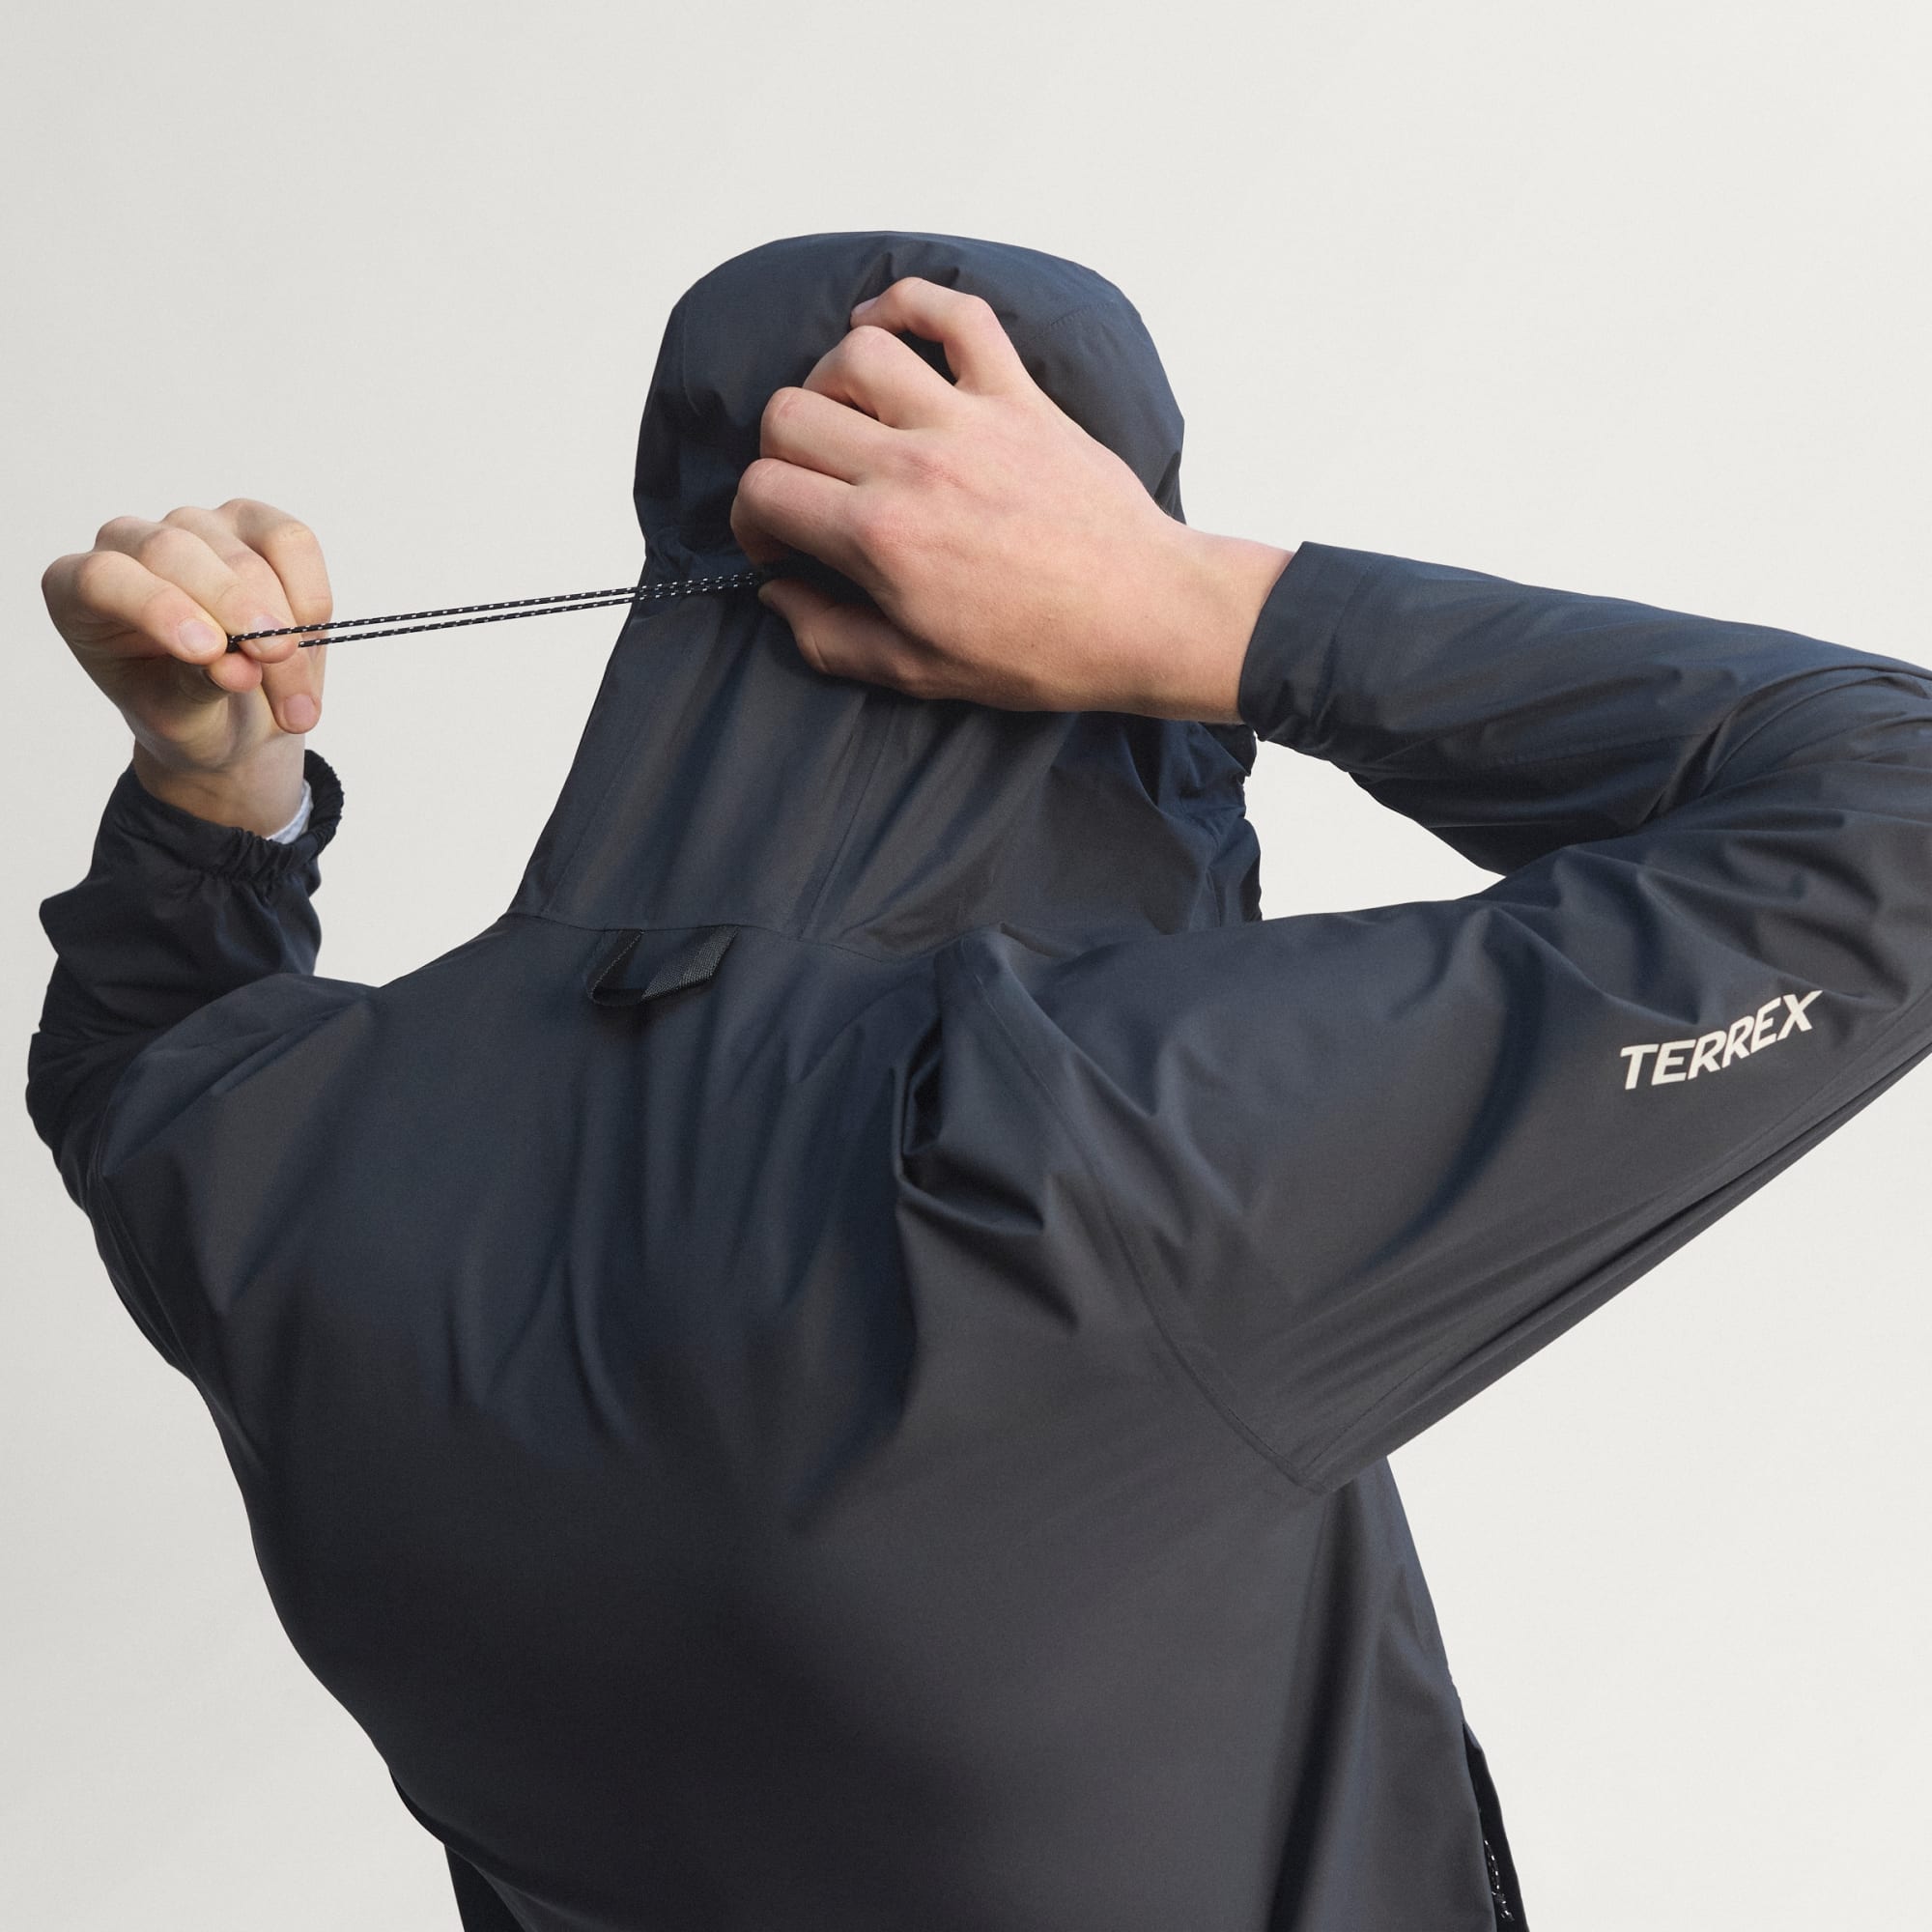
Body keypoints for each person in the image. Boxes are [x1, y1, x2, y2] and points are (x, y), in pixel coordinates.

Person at [27, 230, 1932, 1932]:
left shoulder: (295, 1152)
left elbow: (137, 1044)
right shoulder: (1088, 1148)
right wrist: (1213, 613)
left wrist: (210, 791)